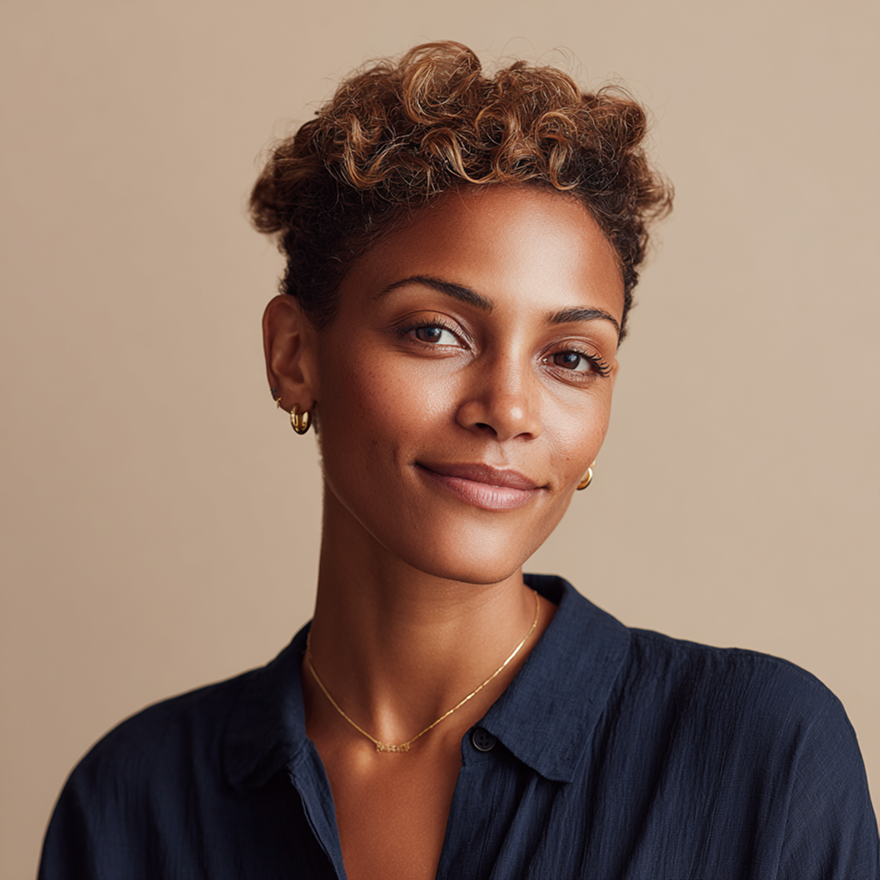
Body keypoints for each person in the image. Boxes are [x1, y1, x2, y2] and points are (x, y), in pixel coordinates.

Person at [39, 41, 878, 880]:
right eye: (435, 332)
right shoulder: (131, 804)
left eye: (571, 358)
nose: (509, 411)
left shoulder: (763, 759)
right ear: (294, 355)